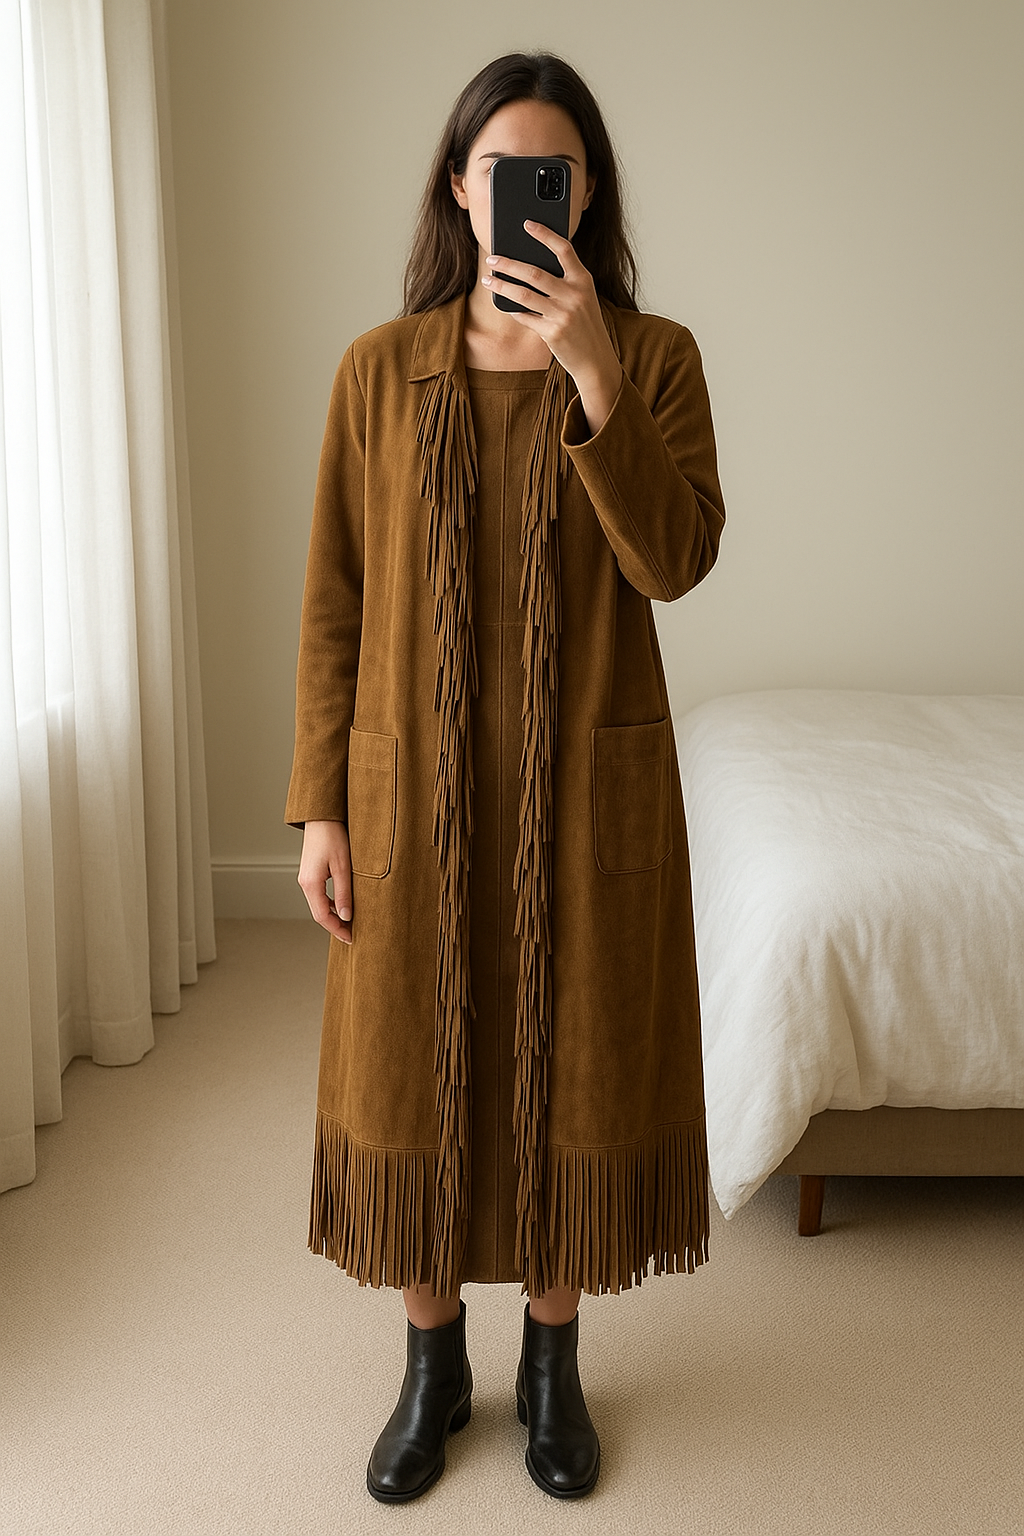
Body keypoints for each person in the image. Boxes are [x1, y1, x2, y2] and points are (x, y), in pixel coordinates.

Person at [285, 50, 726, 1504]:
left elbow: (673, 561)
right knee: (413, 1065)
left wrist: (594, 374)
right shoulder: (377, 371)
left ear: (584, 198)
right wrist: (322, 806)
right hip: (409, 800)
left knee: (571, 1064)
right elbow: (335, 601)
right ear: (461, 191)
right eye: (502, 171)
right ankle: (432, 1367)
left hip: (584, 792)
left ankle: (551, 1363)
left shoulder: (655, 358)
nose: (530, 197)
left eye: (559, 174)